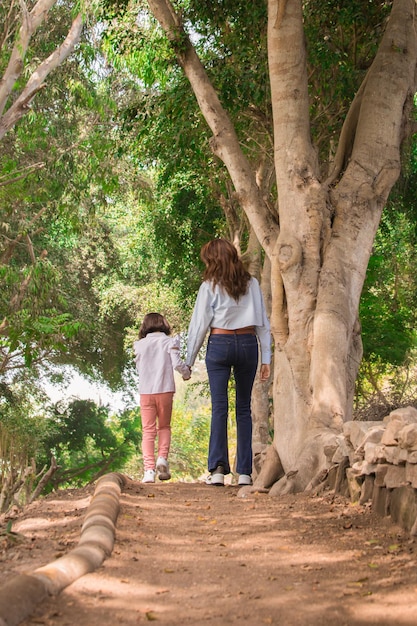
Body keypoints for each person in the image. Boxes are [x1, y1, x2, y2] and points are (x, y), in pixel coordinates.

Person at [185, 239, 271, 487]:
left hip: (220, 344)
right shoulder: (251, 283)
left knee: (219, 407)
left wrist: (189, 361)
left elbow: (199, 325)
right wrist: (266, 357)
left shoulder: (209, 286)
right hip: (247, 343)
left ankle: (218, 470)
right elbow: (262, 322)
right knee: (244, 408)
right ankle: (244, 472)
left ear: (212, 260)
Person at [134, 312, 191, 483]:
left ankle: (149, 471)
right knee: (164, 427)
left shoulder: (139, 344)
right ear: (163, 324)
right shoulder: (169, 341)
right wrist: (186, 373)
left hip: (146, 391)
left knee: (148, 431)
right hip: (165, 390)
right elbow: (176, 364)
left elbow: (139, 368)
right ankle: (162, 458)